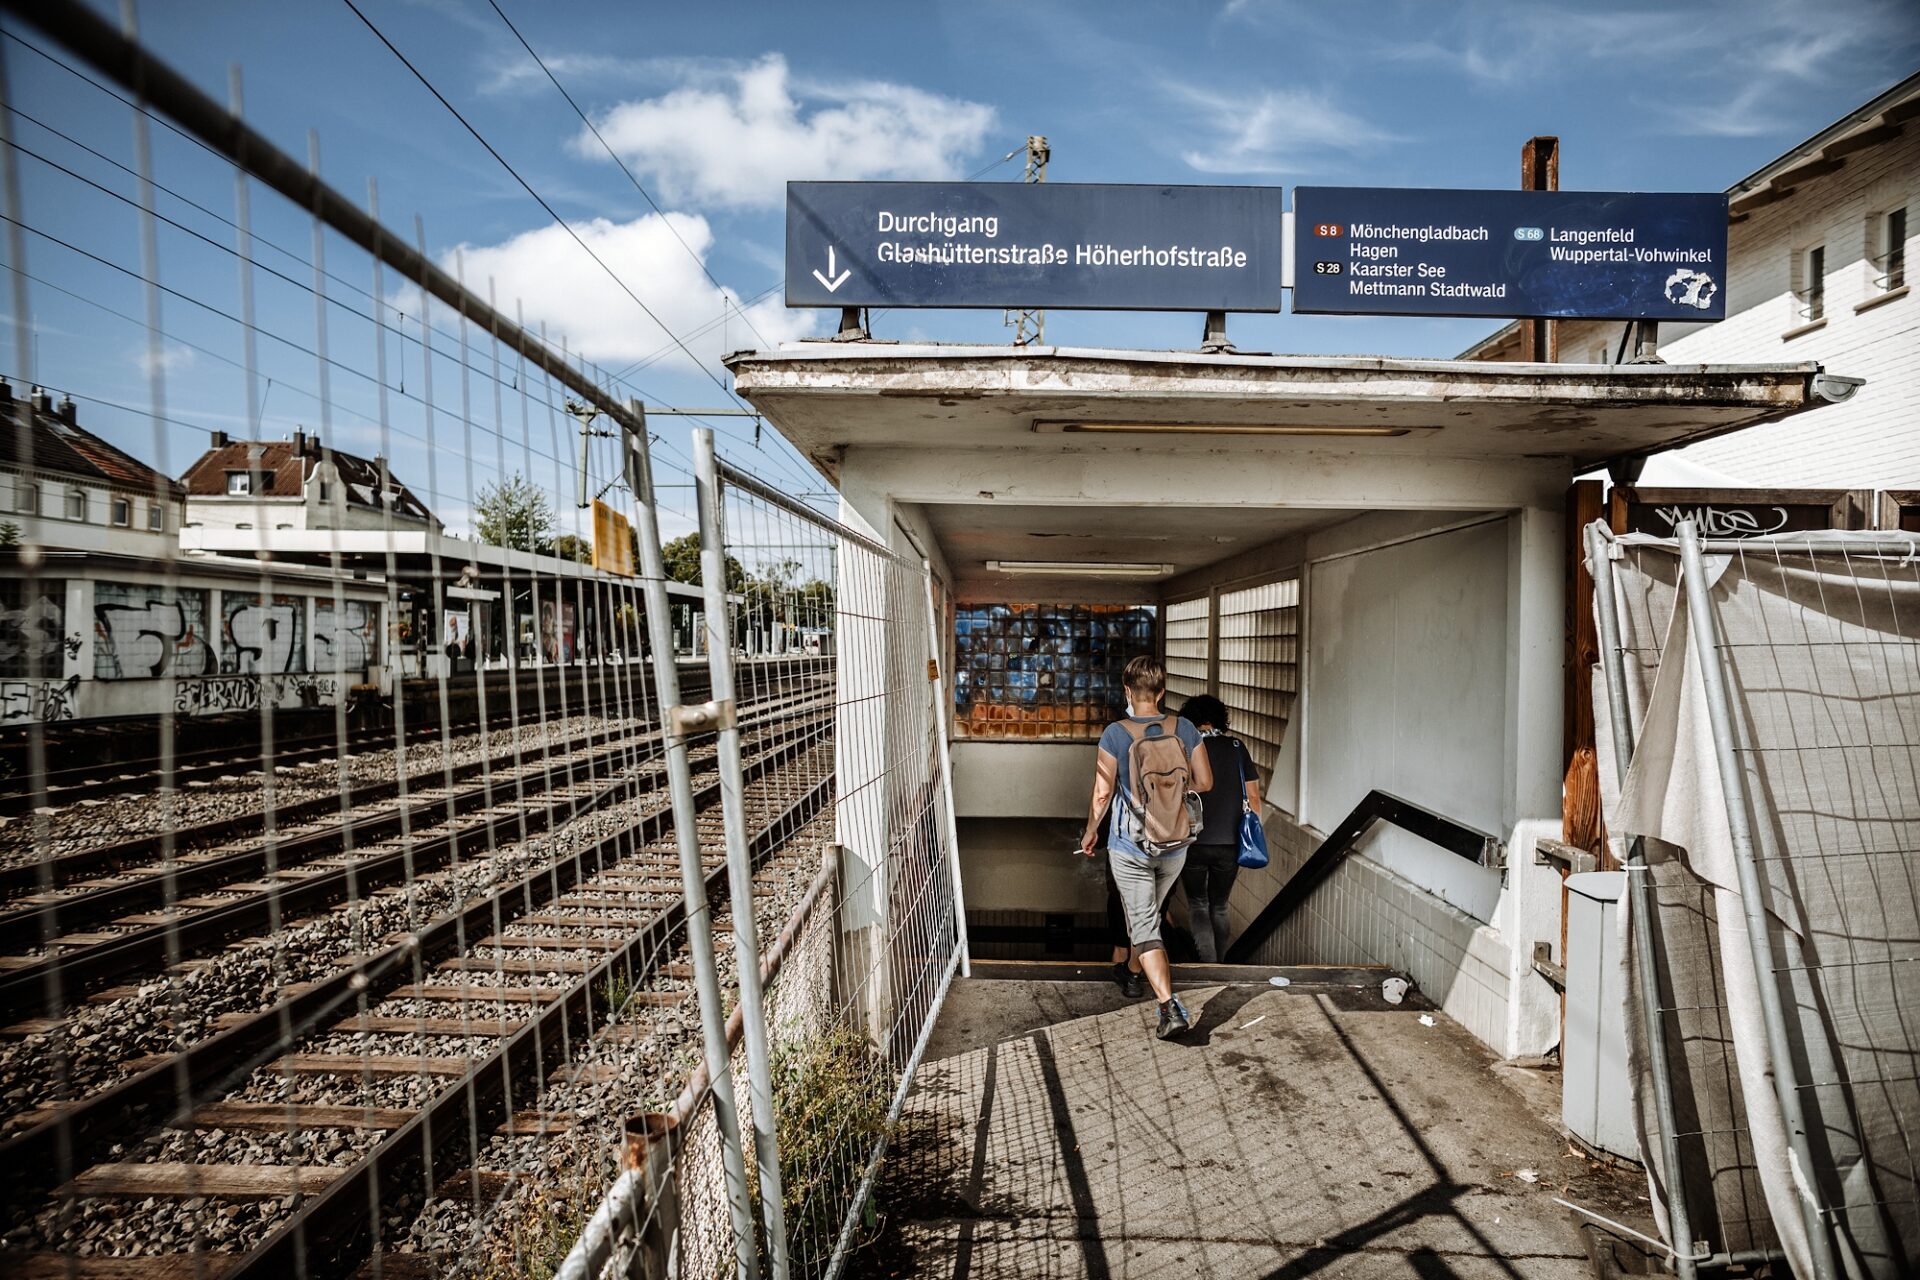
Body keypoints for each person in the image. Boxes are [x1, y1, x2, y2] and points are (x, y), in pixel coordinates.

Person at [1080, 655, 1213, 1039]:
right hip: (1175, 844)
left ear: (1127, 691)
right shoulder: (1184, 728)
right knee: (1150, 916)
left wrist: (1092, 830)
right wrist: (1171, 793)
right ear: (1162, 692)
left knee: (1143, 922)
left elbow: (1103, 792)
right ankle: (1134, 974)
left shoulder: (1115, 734)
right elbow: (1205, 781)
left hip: (1131, 845)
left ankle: (1168, 1006)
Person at [1177, 695, 1261, 964]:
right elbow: (1254, 798)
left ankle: (1208, 964)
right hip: (1230, 842)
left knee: (1198, 904)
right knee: (1220, 905)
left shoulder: (1186, 749)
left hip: (1193, 841)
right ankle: (1222, 962)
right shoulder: (1237, 747)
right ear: (1221, 719)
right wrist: (1251, 834)